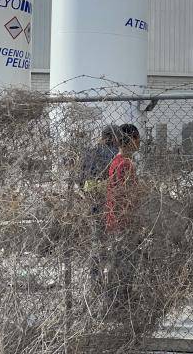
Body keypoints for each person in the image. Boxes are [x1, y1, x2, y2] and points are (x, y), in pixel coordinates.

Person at [104, 123, 143, 312]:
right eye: (138, 139)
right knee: (126, 264)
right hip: (124, 221)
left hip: (115, 219)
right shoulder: (126, 164)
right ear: (132, 140)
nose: (140, 143)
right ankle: (120, 305)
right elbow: (128, 195)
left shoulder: (115, 161)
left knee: (119, 262)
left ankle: (116, 303)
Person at [78, 125, 119, 292]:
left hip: (94, 202)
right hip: (114, 203)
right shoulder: (116, 153)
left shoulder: (90, 153)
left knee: (97, 242)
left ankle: (96, 281)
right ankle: (113, 282)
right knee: (116, 243)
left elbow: (80, 179)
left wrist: (88, 192)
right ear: (115, 137)